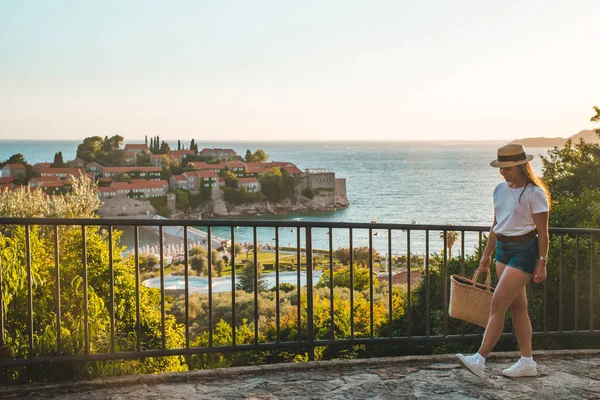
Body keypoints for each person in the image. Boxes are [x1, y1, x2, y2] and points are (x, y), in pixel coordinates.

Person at [456, 143, 550, 378]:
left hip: (524, 250)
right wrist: (487, 254)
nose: (502, 171)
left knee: (497, 303)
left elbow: (543, 232)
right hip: (503, 250)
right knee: (518, 308)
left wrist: (542, 262)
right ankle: (527, 362)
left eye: (507, 167)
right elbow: (496, 226)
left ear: (520, 166)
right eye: (500, 167)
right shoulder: (499, 190)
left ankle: (480, 358)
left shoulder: (535, 194)